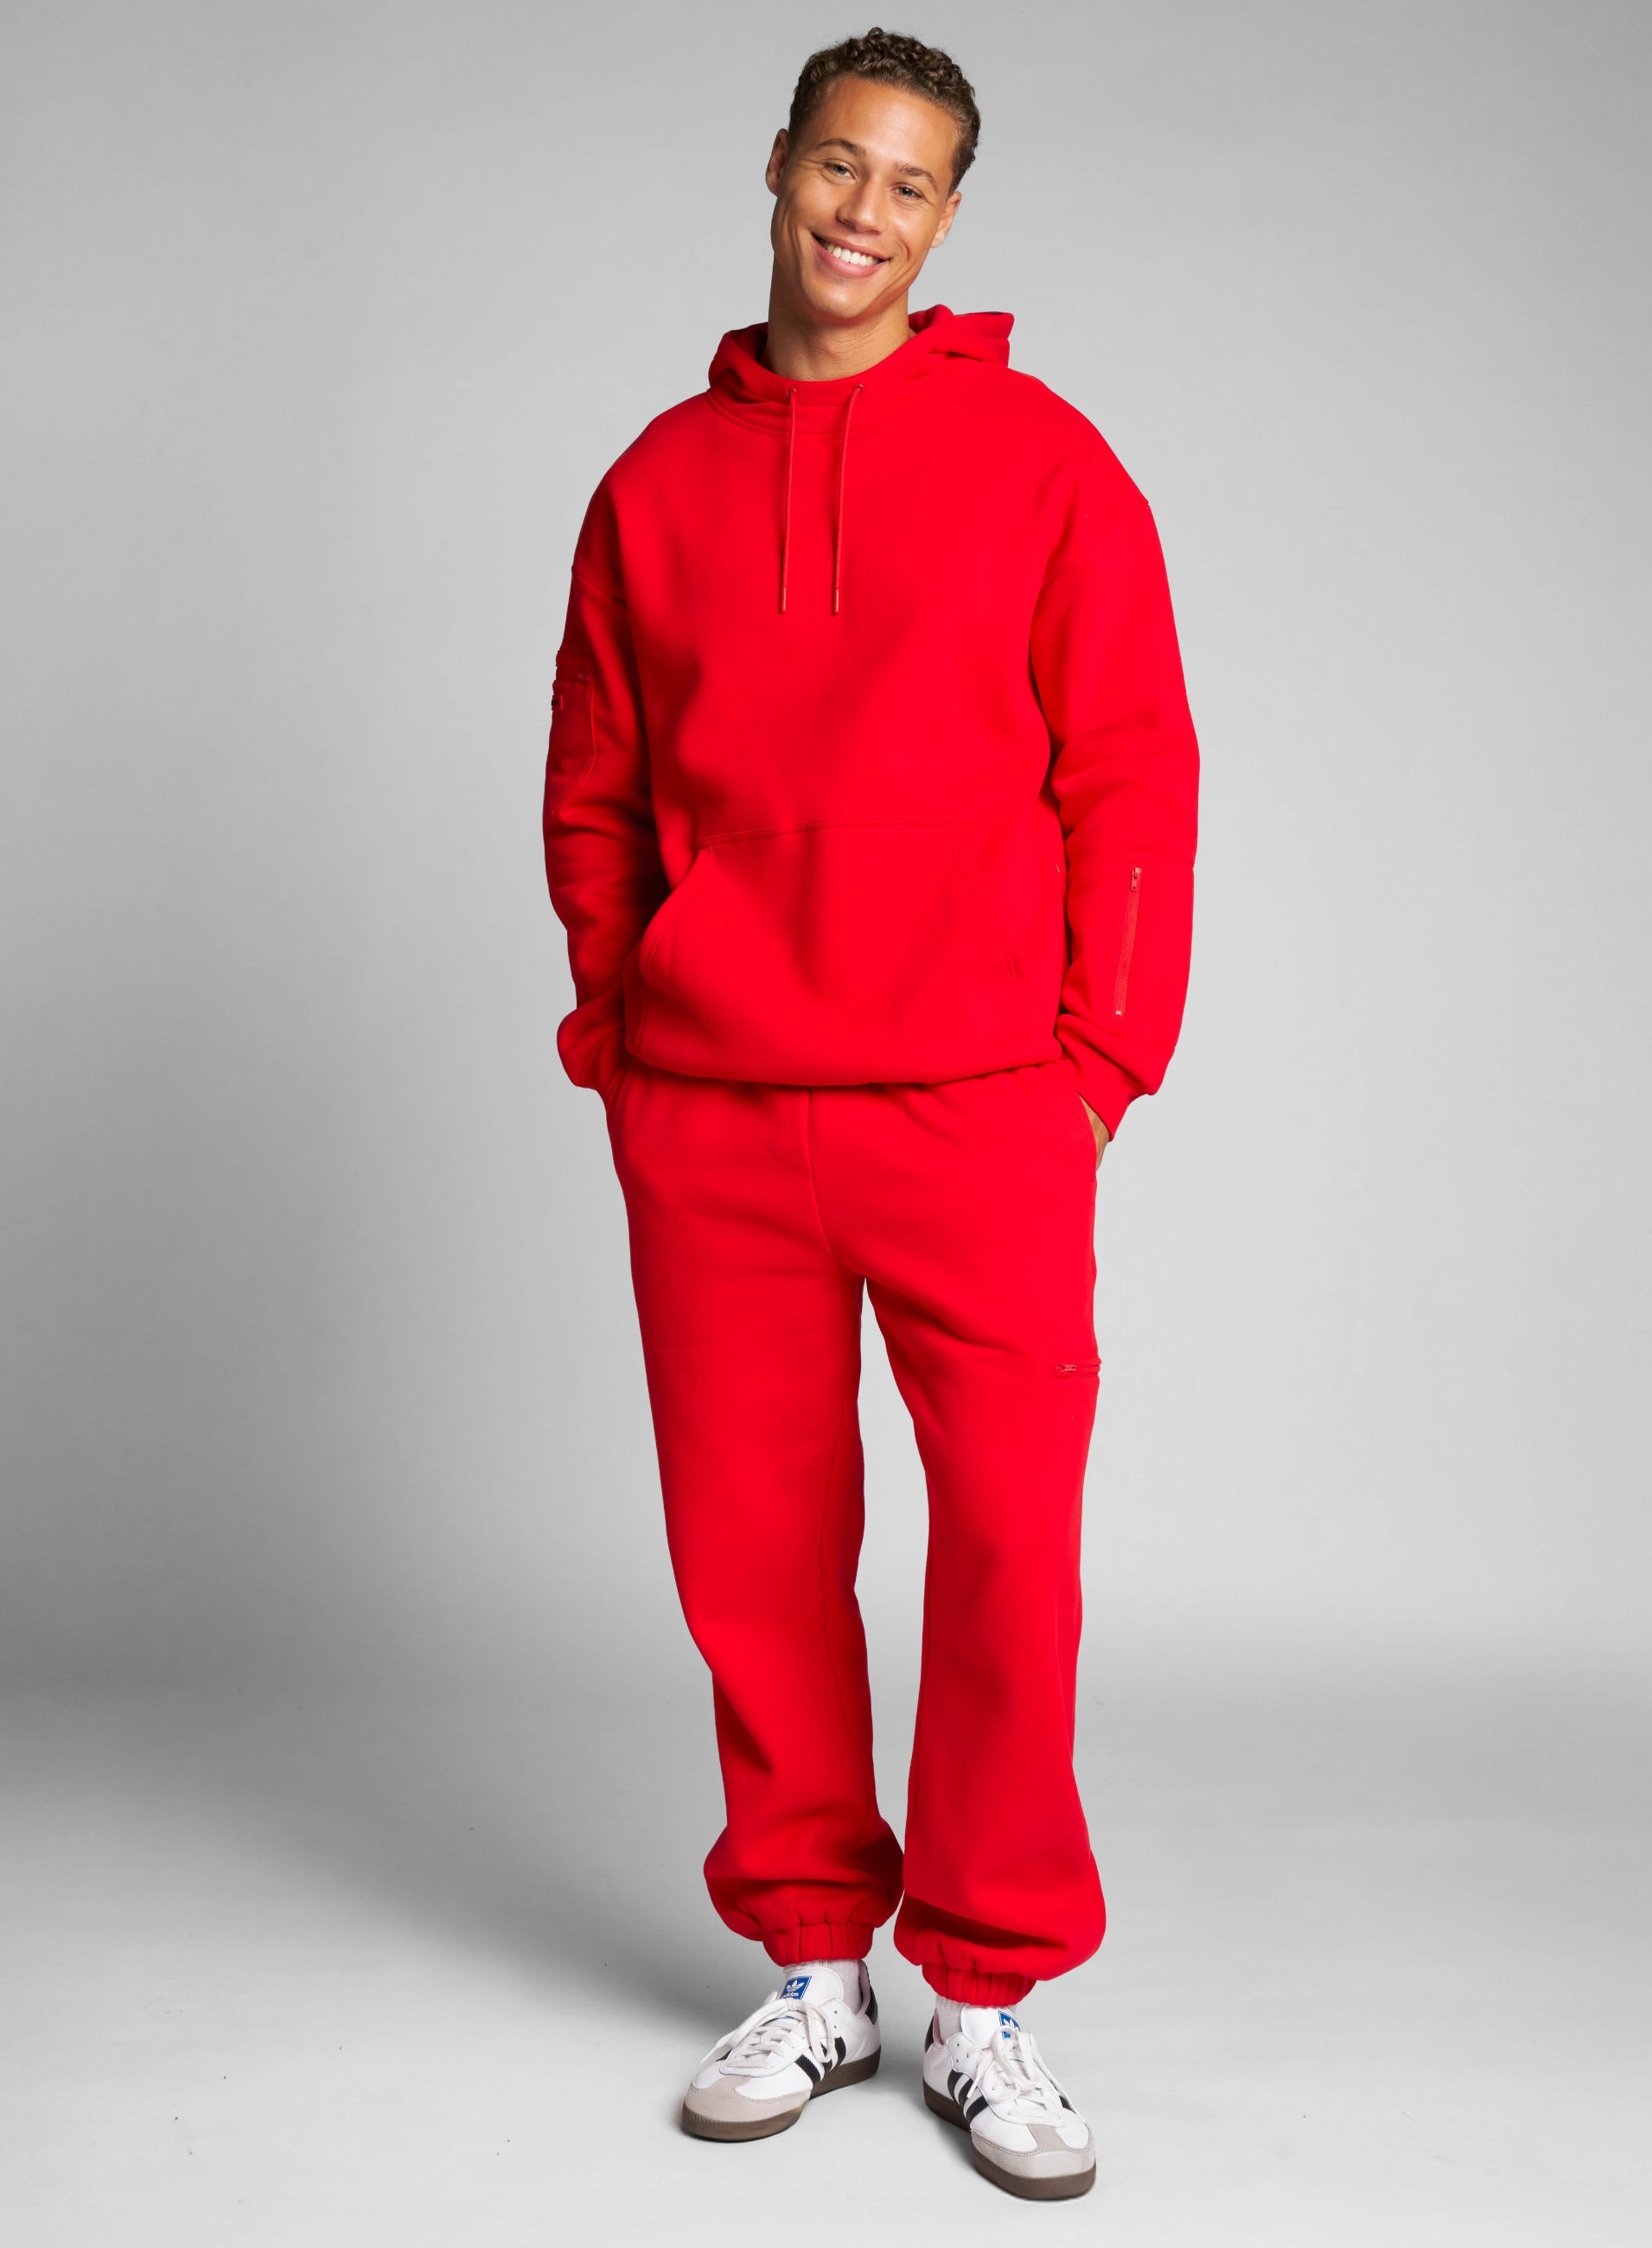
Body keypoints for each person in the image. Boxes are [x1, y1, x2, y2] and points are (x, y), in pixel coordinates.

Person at [542, 25, 1199, 2200]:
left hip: (978, 1107)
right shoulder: (655, 483)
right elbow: (595, 781)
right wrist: (623, 1026)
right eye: (841, 164)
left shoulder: (1047, 463)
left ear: (946, 218)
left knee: (1009, 1552)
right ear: (779, 166)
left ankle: (984, 1993)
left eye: (910, 184)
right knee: (753, 1554)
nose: (864, 212)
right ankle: (815, 1962)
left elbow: (1135, 768)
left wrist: (1098, 1067)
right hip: (715, 1109)